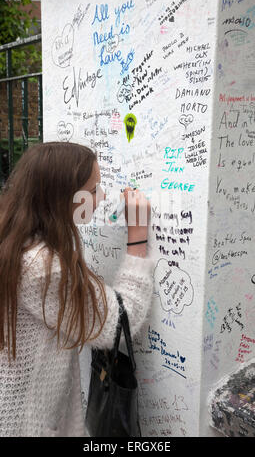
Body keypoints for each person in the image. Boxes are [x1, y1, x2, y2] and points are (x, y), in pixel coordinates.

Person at [0, 142, 154, 437]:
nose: (102, 197)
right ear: (65, 198)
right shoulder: (44, 268)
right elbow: (121, 320)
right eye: (94, 189)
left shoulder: (16, 240)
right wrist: (137, 239)